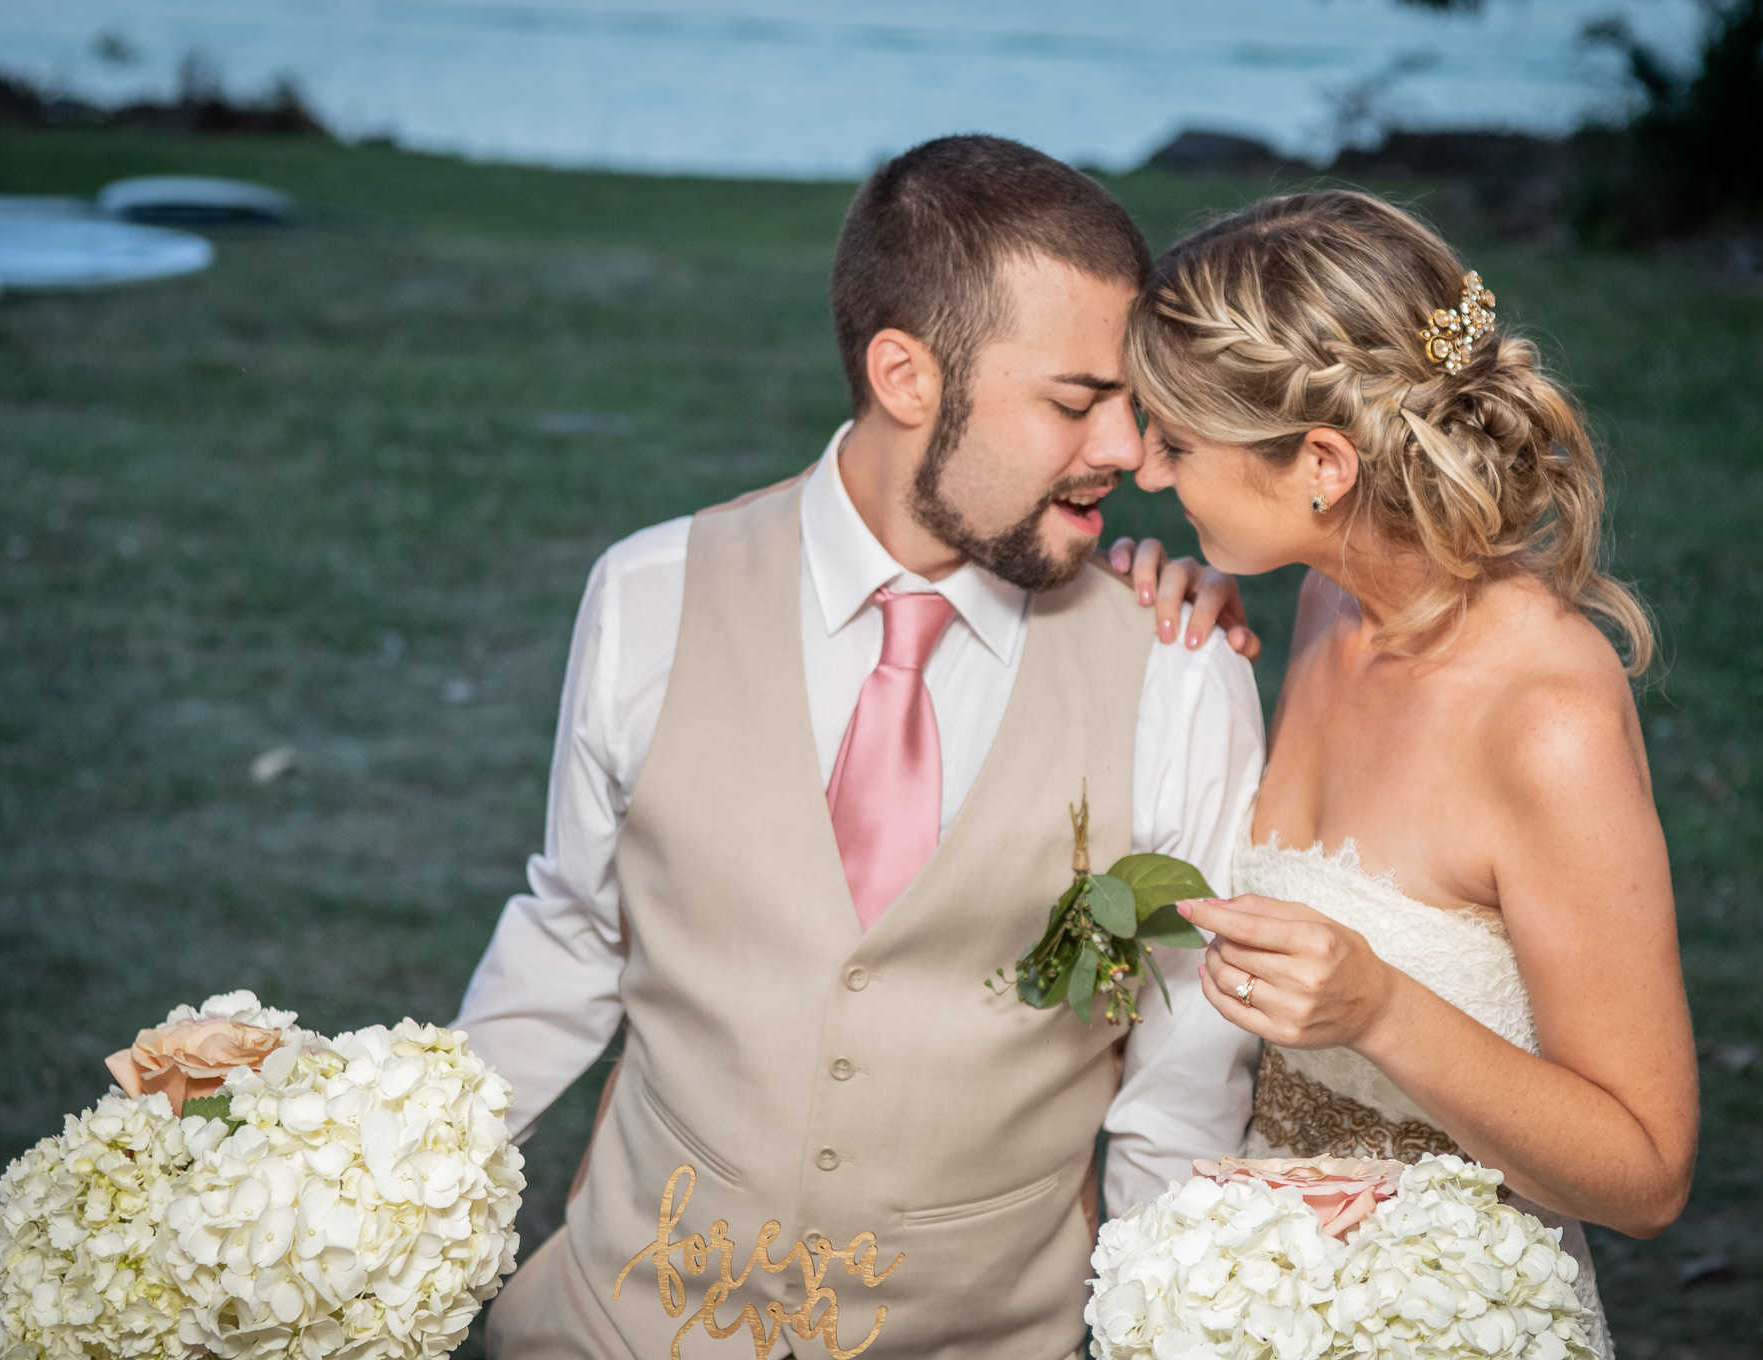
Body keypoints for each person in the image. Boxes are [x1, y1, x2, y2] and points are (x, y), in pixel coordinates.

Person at [455, 135, 1267, 1360]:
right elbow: (576, 930)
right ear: (906, 374)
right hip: (620, 1326)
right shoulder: (649, 595)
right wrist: (386, 1201)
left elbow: (1184, 1081)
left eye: (1131, 401)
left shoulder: (1179, 670)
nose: (1124, 453)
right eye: (1074, 400)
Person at [1123, 190, 1699, 1356]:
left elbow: (1646, 1174)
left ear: (1323, 463)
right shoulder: (1336, 598)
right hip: (1250, 1294)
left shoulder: (1544, 723)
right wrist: (1190, 613)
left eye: (1174, 439)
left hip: (1443, 1314)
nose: (1139, 470)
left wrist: (1383, 1008)